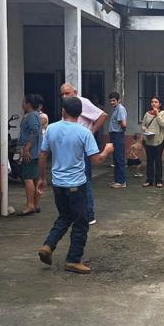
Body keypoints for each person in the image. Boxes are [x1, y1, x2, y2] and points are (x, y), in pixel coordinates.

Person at [36, 97, 113, 274]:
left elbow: (43, 155)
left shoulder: (52, 129)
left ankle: (48, 245)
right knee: (81, 222)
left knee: (64, 216)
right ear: (80, 114)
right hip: (76, 184)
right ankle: (73, 259)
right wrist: (108, 150)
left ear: (63, 111)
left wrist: (42, 178)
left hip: (57, 183)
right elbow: (96, 159)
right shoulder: (84, 132)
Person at [60, 84, 107, 225]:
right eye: (62, 94)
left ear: (75, 92)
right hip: (70, 147)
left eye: (67, 93)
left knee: (84, 180)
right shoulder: (67, 107)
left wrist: (91, 132)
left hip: (81, 146)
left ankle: (89, 213)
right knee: (73, 180)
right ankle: (76, 212)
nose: (64, 96)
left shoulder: (82, 102)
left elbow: (102, 115)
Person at [17, 94, 43, 216]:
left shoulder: (31, 116)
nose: (22, 104)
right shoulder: (36, 115)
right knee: (35, 178)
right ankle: (36, 204)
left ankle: (30, 205)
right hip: (36, 152)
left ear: (28, 104)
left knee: (28, 179)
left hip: (31, 153)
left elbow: (34, 132)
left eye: (23, 102)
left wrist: (27, 148)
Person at [141, 96, 164, 188]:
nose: (153, 103)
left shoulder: (163, 113)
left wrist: (157, 114)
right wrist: (144, 129)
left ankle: (159, 180)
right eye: (152, 102)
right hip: (149, 140)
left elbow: (162, 124)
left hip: (159, 140)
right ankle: (149, 180)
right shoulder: (147, 114)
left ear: (160, 104)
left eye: (156, 102)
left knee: (158, 160)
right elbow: (143, 125)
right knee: (149, 161)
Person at [108, 92, 128, 189]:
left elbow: (123, 124)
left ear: (118, 100)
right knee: (115, 158)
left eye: (114, 100)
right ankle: (117, 180)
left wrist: (121, 131)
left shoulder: (120, 109)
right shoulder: (116, 109)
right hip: (114, 135)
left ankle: (121, 181)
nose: (112, 102)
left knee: (119, 158)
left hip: (118, 135)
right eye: (110, 101)